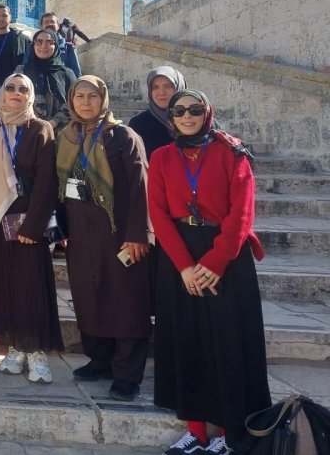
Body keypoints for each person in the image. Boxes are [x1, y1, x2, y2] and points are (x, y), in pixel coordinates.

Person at [149, 91, 269, 455]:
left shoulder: (232, 152)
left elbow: (242, 212)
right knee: (187, 340)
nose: (187, 116)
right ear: (171, 117)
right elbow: (158, 214)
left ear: (207, 112)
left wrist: (215, 264)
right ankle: (196, 430)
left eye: (195, 109)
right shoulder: (162, 156)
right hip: (180, 256)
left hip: (226, 257)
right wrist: (185, 267)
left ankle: (228, 434)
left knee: (228, 343)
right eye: (179, 110)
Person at [56, 75, 151, 402]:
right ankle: (100, 361)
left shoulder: (123, 136)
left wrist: (138, 234)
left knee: (125, 302)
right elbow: (58, 187)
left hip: (119, 234)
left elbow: (141, 187)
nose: (86, 102)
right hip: (81, 234)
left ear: (103, 99)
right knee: (88, 298)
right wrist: (60, 231)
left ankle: (127, 375)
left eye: (92, 96)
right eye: (80, 96)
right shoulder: (67, 136)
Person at [0, 74, 64, 384]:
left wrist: (34, 224)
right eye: (11, 88)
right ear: (2, 93)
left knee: (31, 285)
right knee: (4, 283)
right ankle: (15, 347)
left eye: (23, 88)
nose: (16, 93)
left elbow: (46, 180)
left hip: (28, 220)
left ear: (31, 95)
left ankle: (36, 351)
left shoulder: (41, 129)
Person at [16, 28, 76, 132]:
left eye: (49, 42)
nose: (43, 46)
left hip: (59, 131)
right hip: (26, 129)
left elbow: (73, 101)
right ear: (33, 45)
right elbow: (13, 98)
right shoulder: (21, 71)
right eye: (38, 42)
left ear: (56, 45)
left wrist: (53, 122)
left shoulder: (67, 73)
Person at [128, 66, 187, 158]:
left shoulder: (195, 118)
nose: (161, 92)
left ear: (179, 87)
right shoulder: (139, 124)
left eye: (168, 86)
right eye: (155, 87)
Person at [0, 4, 30, 86]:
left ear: (10, 17)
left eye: (4, 15)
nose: (1, 18)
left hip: (14, 86)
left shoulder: (22, 39)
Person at [40, 12, 81, 78]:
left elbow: (76, 72)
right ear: (41, 27)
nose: (49, 24)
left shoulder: (68, 47)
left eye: (52, 22)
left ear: (58, 26)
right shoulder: (33, 47)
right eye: (46, 22)